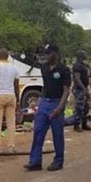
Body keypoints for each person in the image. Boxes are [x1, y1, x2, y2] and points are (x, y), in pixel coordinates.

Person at [25, 44, 71, 172]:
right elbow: (45, 86)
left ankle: (58, 161)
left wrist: (59, 108)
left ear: (55, 54)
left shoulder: (64, 70)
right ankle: (35, 162)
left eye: (48, 53)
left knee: (57, 134)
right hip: (45, 102)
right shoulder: (44, 68)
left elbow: (66, 91)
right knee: (38, 132)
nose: (45, 56)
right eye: (45, 53)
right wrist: (40, 102)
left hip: (57, 102)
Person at [72, 50, 91, 132]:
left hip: (84, 88)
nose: (86, 55)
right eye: (84, 54)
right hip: (80, 89)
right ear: (81, 56)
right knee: (79, 107)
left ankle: (84, 124)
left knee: (86, 107)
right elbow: (77, 78)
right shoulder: (77, 66)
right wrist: (84, 89)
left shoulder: (83, 65)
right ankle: (76, 125)